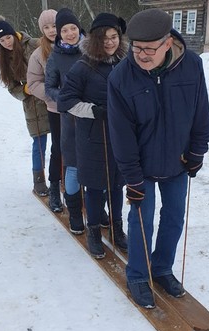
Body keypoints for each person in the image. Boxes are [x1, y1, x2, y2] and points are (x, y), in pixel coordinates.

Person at [107, 9, 209, 309]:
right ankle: (139, 275)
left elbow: (201, 111)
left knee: (174, 217)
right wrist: (132, 177)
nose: (140, 55)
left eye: (149, 49)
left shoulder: (192, 66)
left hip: (178, 161)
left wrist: (197, 150)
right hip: (141, 166)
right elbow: (121, 135)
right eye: (136, 47)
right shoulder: (120, 78)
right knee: (142, 221)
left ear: (168, 43)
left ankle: (162, 267)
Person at [58, 13, 128, 258]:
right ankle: (95, 231)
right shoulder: (83, 66)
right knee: (96, 187)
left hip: (121, 137)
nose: (110, 42)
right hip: (92, 137)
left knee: (117, 184)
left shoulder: (125, 63)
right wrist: (95, 111)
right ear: (95, 39)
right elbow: (65, 102)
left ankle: (117, 228)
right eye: (104, 38)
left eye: (114, 37)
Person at [0, 15, 50, 196]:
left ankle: (60, 177)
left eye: (8, 37)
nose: (6, 42)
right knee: (39, 142)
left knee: (61, 142)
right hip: (32, 104)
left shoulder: (34, 44)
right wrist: (25, 90)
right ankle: (39, 180)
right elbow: (12, 88)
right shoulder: (4, 59)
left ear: (14, 34)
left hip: (50, 97)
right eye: (1, 40)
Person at [45, 8, 86, 234]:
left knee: (94, 166)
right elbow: (49, 87)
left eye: (73, 28)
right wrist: (67, 99)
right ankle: (75, 214)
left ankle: (95, 209)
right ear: (59, 34)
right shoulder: (55, 57)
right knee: (72, 167)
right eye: (64, 30)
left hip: (93, 117)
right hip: (70, 119)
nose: (70, 33)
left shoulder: (92, 51)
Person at [27, 9, 63, 212]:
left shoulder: (76, 45)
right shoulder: (39, 53)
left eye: (55, 26)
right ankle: (55, 191)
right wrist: (56, 96)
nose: (51, 30)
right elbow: (33, 83)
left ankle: (75, 189)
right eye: (46, 27)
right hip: (56, 109)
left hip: (79, 109)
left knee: (78, 150)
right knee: (58, 150)